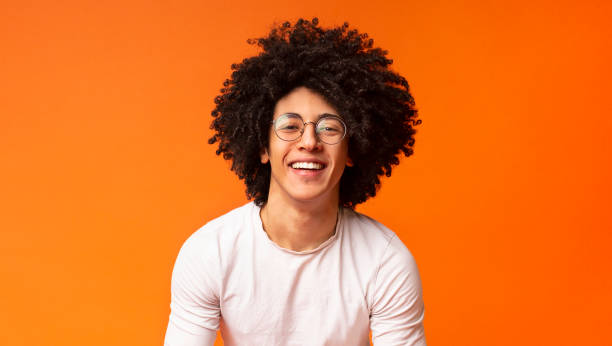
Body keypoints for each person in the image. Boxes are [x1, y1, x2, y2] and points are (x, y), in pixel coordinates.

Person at [164, 18, 426, 346]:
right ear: (262, 146)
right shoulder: (209, 253)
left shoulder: (385, 261)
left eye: (329, 127)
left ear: (352, 149)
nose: (309, 142)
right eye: (290, 126)